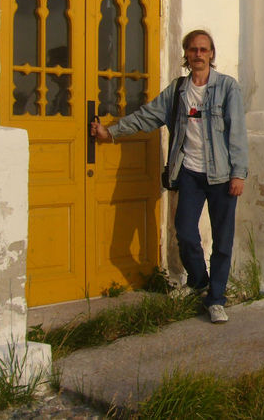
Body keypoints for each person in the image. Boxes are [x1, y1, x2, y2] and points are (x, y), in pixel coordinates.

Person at [91, 29, 248, 324]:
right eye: (193, 50)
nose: (198, 54)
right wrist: (110, 133)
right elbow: (147, 116)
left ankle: (216, 300)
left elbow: (237, 131)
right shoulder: (178, 90)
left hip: (223, 176)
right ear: (186, 55)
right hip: (188, 172)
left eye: (203, 49)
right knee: (185, 232)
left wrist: (239, 174)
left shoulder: (228, 87)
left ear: (211, 54)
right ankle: (200, 282)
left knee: (222, 241)